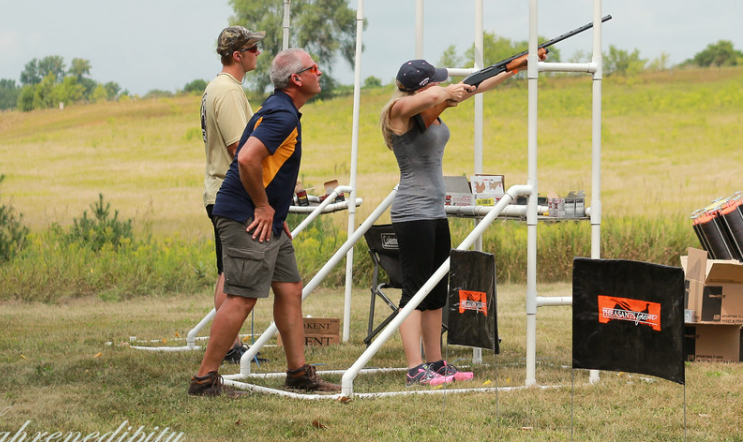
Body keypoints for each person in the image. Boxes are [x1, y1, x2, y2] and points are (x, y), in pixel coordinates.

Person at [189, 48, 340, 397]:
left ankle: (299, 374)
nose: (320, 72)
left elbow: (261, 162)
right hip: (246, 215)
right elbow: (245, 158)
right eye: (314, 68)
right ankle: (204, 380)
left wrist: (276, 212)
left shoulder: (280, 110)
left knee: (290, 289)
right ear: (297, 79)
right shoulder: (281, 116)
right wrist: (262, 207)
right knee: (241, 298)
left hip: (265, 217)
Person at [379, 56, 538, 386]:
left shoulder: (430, 107)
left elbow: (473, 87)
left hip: (435, 212)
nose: (440, 85)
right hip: (413, 213)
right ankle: (414, 369)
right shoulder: (398, 113)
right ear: (422, 88)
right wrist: (445, 92)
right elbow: (434, 96)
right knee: (415, 291)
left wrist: (511, 68)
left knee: (436, 291)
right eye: (434, 81)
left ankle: (435, 363)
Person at [200, 26, 261, 364]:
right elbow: (242, 148)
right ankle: (228, 346)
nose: (258, 54)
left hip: (219, 188)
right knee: (233, 274)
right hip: (231, 190)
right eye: (253, 49)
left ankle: (231, 344)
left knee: (227, 270)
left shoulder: (218, 88)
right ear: (237, 55)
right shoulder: (229, 91)